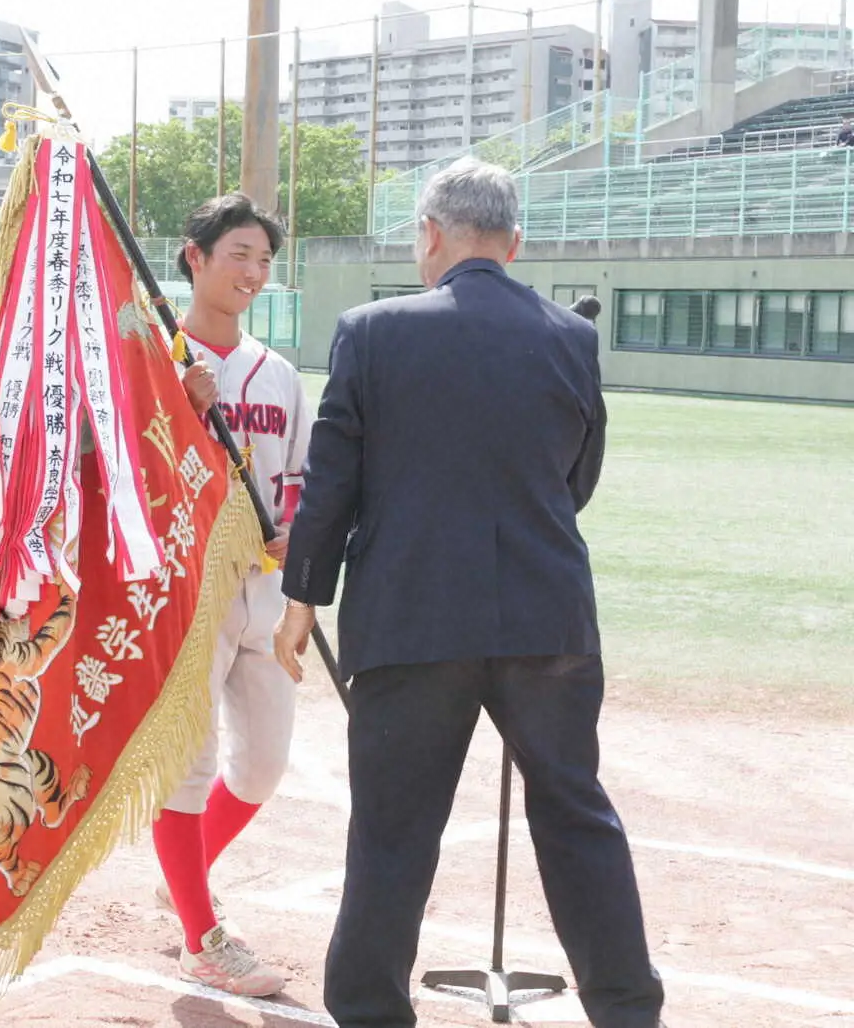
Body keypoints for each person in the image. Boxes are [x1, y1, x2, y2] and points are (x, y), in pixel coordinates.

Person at [273, 159, 665, 1028]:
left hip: (412, 619)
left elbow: (332, 478)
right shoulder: (570, 336)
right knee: (574, 816)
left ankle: (372, 1012)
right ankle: (629, 1012)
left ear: (431, 235)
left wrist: (305, 596)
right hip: (547, 617)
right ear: (514, 243)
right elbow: (579, 477)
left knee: (392, 832)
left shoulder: (371, 331)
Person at [152, 193, 314, 998]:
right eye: (237, 255)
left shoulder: (278, 374)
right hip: (186, 595)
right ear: (195, 257)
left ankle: (182, 881)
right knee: (186, 768)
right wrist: (180, 410)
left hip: (267, 591)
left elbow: (302, 481)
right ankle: (199, 935)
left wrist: (300, 545)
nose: (252, 272)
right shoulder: (155, 360)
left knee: (262, 768)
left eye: (263, 261)